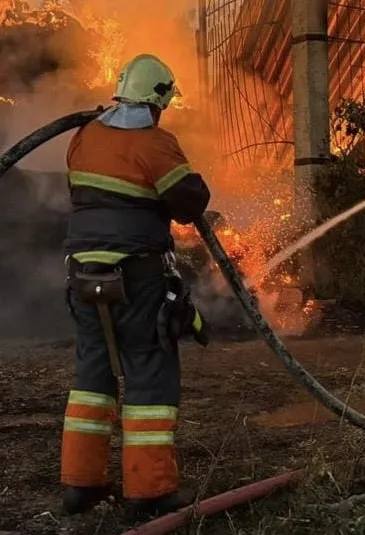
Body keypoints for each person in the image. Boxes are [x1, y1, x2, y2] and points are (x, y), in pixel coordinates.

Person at [59, 53, 210, 519]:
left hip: (83, 274)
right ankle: (149, 492)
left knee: (93, 374)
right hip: (136, 274)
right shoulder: (156, 144)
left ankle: (80, 486)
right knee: (148, 367)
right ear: (158, 99)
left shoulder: (83, 138)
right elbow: (189, 203)